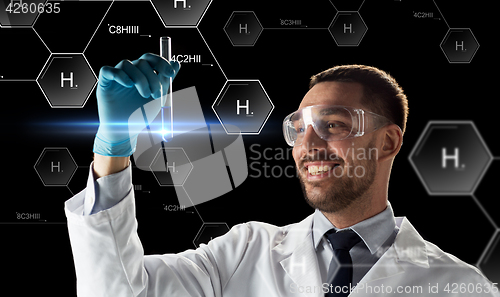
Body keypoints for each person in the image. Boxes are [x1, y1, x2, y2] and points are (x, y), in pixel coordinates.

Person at [65, 53, 498, 297]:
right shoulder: (243, 253)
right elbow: (117, 292)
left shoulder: (460, 287)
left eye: (333, 125)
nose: (308, 146)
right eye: (299, 128)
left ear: (387, 143)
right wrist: (113, 145)